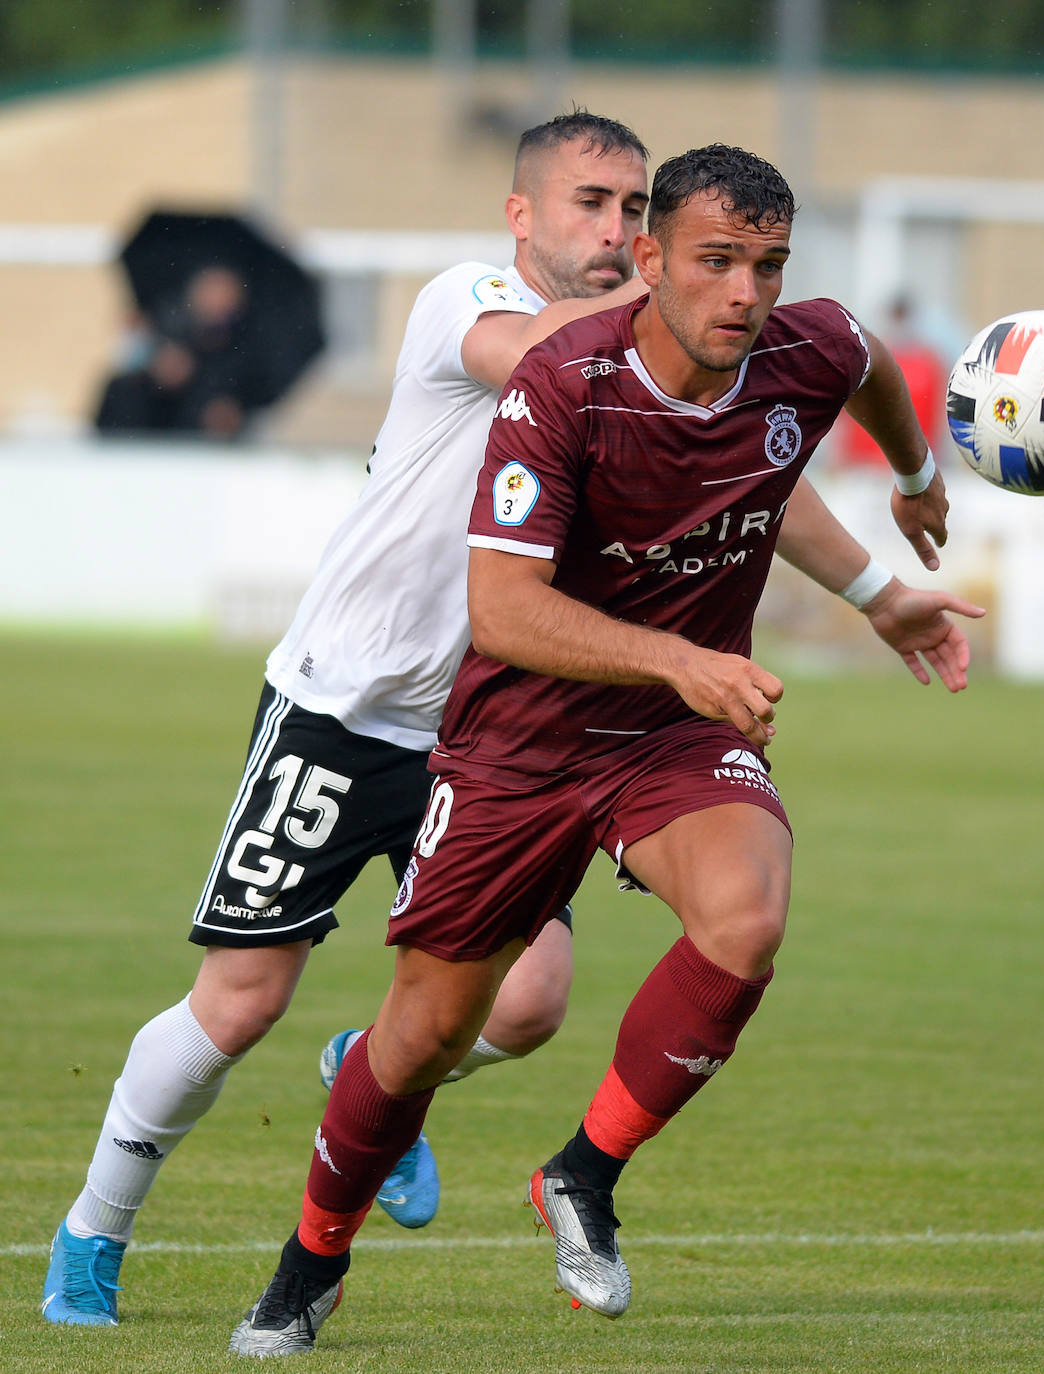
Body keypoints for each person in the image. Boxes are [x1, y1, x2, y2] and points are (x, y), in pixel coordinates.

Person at [228, 143, 980, 1357]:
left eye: (768, 265)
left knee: (746, 917)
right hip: (520, 738)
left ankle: (581, 1174)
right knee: (419, 1035)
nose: (746, 292)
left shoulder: (807, 345)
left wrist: (912, 480)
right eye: (717, 262)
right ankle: (311, 1261)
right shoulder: (565, 384)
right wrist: (680, 656)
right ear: (649, 262)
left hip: (674, 736)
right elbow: (505, 613)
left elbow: (872, 367)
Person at [42, 109, 653, 1328]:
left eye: (637, 209)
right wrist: (669, 303)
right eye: (592, 203)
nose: (618, 231)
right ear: (522, 215)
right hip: (343, 707)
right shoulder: (467, 300)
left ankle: (361, 1073)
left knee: (527, 1004)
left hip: (482, 733)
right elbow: (526, 351)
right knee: (240, 1001)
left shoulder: (633, 370)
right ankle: (93, 1230)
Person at [94, 266, 275, 439]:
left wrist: (230, 418)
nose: (217, 303)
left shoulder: (246, 351)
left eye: (225, 296)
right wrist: (155, 375)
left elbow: (247, 406)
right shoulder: (163, 322)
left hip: (198, 446)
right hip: (143, 434)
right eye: (211, 292)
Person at [832, 291, 949, 468]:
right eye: (897, 317)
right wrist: (837, 458)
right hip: (863, 465)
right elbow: (841, 413)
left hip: (912, 466)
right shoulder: (867, 359)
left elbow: (940, 416)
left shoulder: (929, 364)